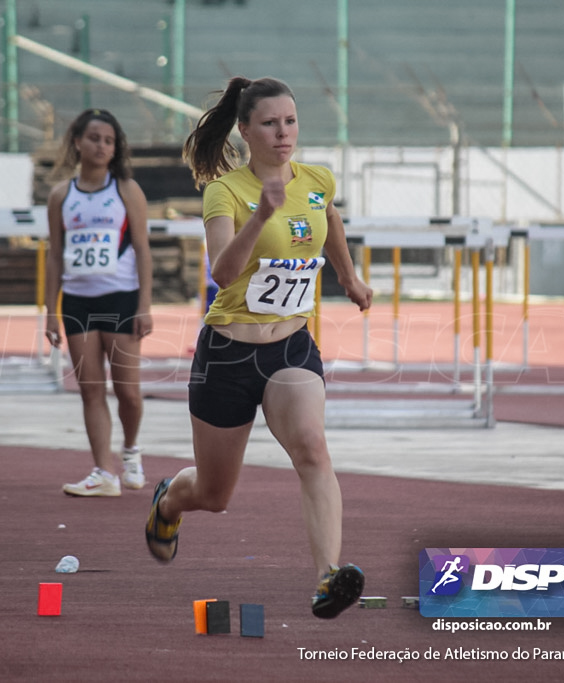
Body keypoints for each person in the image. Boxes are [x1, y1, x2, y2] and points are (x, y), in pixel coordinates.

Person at [143, 76, 373, 620]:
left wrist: (349, 277)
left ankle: (326, 578)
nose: (282, 132)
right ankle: (170, 500)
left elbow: (329, 220)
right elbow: (222, 274)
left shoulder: (317, 180)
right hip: (228, 352)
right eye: (269, 123)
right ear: (245, 130)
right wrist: (263, 216)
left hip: (289, 347)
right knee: (215, 495)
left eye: (290, 121)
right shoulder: (226, 191)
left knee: (313, 448)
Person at [45, 109, 153, 497]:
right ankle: (103, 473)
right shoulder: (61, 196)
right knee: (91, 389)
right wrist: (50, 311)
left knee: (128, 392)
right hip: (77, 302)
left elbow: (142, 248)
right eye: (94, 138)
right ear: (77, 142)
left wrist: (144, 304)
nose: (102, 146)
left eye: (109, 140)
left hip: (121, 298)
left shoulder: (125, 190)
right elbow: (55, 255)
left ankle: (131, 451)